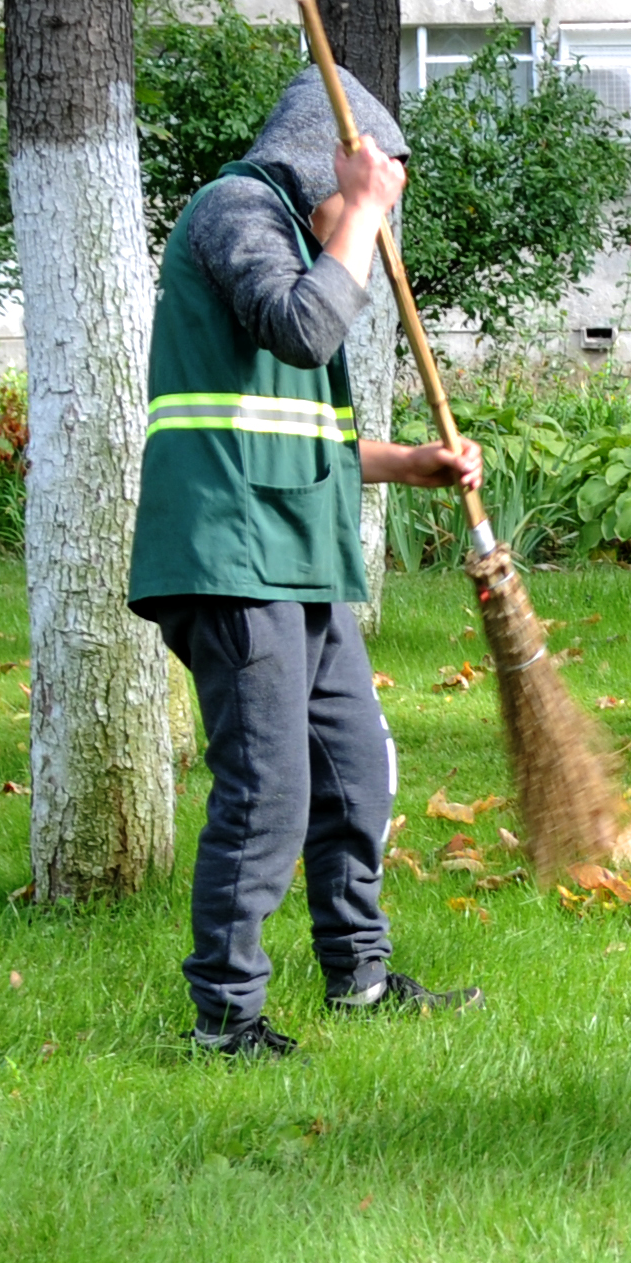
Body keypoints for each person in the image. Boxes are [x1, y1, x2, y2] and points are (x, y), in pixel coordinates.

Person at [130, 73, 487, 1058]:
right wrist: (363, 211)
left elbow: (291, 431)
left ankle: (360, 977)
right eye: (372, 209)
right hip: (232, 550)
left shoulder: (301, 236)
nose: (377, 244)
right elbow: (301, 323)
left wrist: (405, 464)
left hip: (298, 546)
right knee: (269, 785)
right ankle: (226, 1019)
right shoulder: (236, 209)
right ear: (327, 162)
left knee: (352, 769)